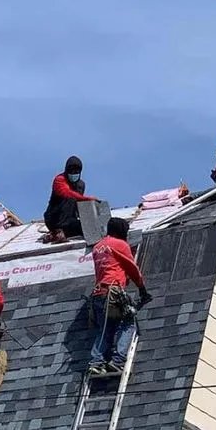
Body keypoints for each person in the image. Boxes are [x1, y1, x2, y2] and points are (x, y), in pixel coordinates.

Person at [88, 218, 151, 376]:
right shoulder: (120, 245)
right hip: (113, 292)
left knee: (105, 329)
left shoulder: (98, 247)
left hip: (98, 293)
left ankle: (96, 362)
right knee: (128, 323)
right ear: (121, 230)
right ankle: (117, 361)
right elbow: (132, 268)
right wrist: (142, 289)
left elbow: (110, 267)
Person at [43, 155, 99, 243]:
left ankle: (54, 235)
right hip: (55, 219)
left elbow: (79, 204)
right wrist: (88, 199)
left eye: (76, 171)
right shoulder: (59, 180)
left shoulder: (80, 185)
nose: (74, 173)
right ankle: (58, 231)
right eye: (71, 171)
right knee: (71, 198)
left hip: (70, 220)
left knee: (86, 228)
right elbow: (67, 193)